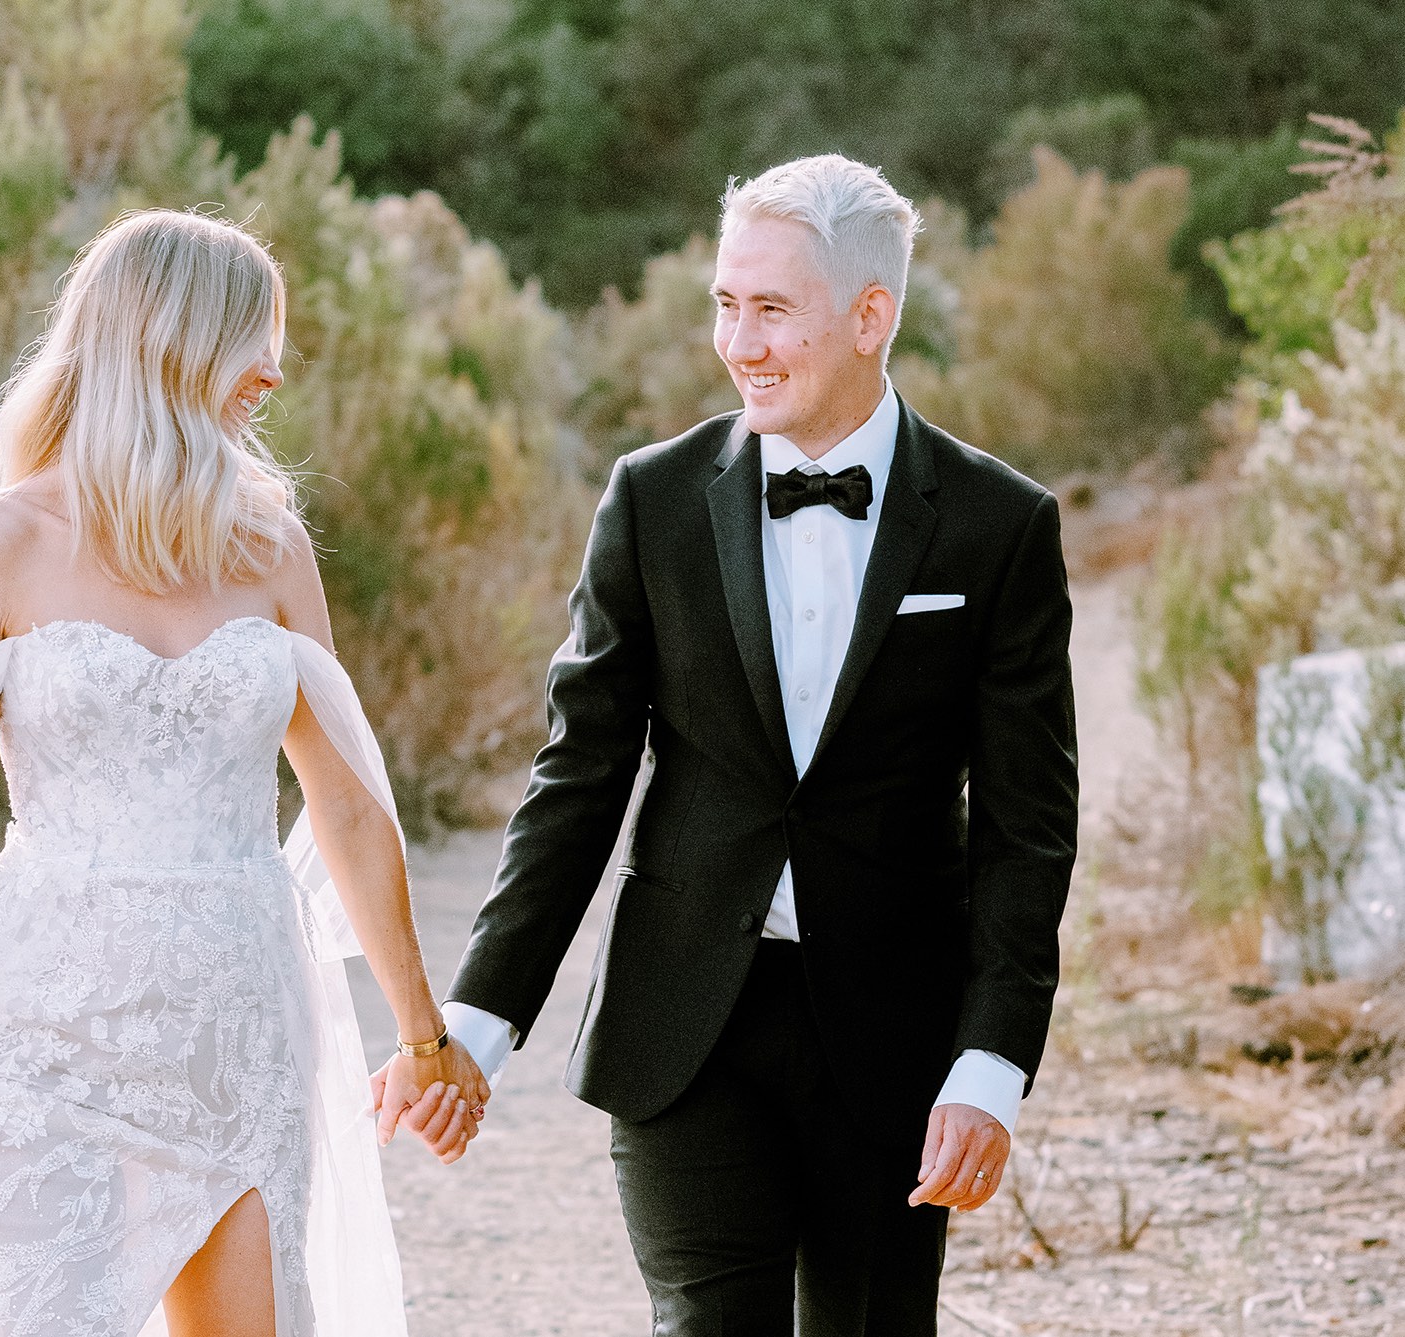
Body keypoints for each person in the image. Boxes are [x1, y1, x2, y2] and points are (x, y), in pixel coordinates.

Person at [423, 155, 1079, 1335]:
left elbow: (1028, 827)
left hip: (894, 1044)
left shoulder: (999, 525)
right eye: (726, 304)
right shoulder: (652, 498)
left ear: (870, 315)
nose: (739, 342)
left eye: (772, 309)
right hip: (686, 1028)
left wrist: (991, 1063)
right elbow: (579, 773)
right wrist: (476, 1021)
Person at [0, 208, 489, 1337]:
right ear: (169, 341)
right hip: (42, 1022)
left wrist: (422, 1028)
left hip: (238, 1016)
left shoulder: (269, 543)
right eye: (252, 337)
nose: (275, 367)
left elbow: (346, 801)